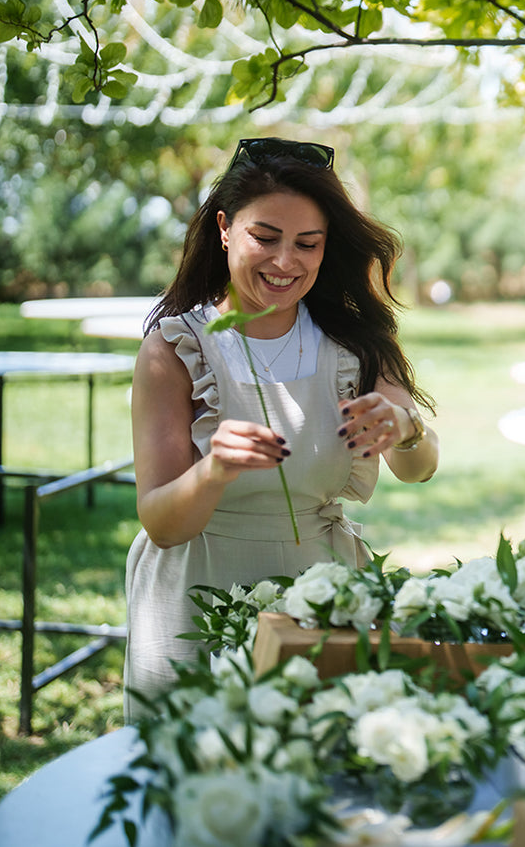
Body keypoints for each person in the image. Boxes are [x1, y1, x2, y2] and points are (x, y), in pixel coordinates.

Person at [125, 137, 439, 713]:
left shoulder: (355, 344)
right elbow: (162, 523)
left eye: (307, 244)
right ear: (224, 229)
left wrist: (407, 427)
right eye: (264, 238)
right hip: (194, 598)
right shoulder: (174, 349)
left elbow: (418, 470)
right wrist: (214, 471)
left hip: (318, 594)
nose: (285, 261)